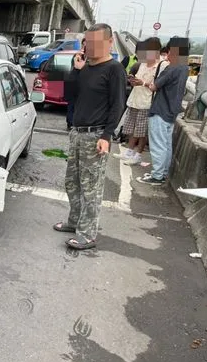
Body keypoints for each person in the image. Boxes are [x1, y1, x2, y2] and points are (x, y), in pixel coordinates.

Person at [53, 23, 127, 250]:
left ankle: (87, 234)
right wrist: (75, 70)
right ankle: (74, 222)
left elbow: (118, 105)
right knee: (72, 183)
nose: (92, 47)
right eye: (88, 42)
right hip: (77, 133)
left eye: (97, 42)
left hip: (96, 136)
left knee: (91, 187)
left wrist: (107, 135)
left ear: (109, 42)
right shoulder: (85, 68)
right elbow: (68, 96)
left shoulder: (114, 69)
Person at [137, 37, 190, 185]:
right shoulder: (185, 68)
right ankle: (163, 173)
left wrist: (143, 82)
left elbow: (155, 86)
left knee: (158, 145)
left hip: (161, 110)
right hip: (172, 112)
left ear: (173, 51)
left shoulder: (171, 68)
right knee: (166, 145)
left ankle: (157, 176)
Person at [117, 37, 165, 165]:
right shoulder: (143, 63)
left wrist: (142, 83)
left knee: (142, 131)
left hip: (147, 102)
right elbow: (138, 80)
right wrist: (133, 80)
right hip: (135, 99)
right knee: (132, 127)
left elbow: (158, 85)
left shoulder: (161, 65)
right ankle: (129, 151)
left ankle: (138, 155)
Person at [65, 38, 86, 129]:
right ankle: (70, 124)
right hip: (74, 83)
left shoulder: (89, 56)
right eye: (84, 45)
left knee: (77, 105)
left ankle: (74, 123)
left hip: (80, 83)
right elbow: (76, 67)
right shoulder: (78, 55)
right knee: (72, 104)